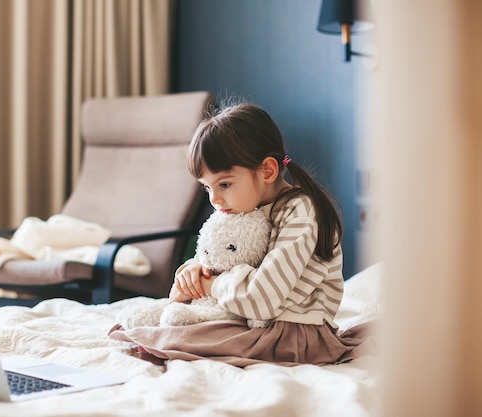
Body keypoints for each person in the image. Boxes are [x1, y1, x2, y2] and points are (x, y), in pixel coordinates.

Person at [109, 101, 371, 367]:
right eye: (207, 188)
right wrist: (195, 269)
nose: (215, 199)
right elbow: (226, 256)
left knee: (179, 337)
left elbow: (262, 299)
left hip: (295, 333)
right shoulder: (246, 206)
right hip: (253, 319)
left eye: (224, 184)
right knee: (162, 322)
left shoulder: (301, 214)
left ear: (267, 171)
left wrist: (210, 284)